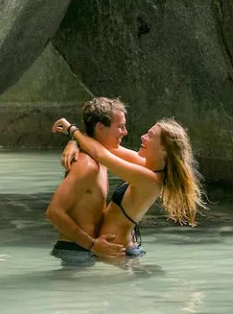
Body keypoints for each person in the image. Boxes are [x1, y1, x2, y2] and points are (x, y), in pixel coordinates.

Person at [52, 116, 205, 257]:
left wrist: (71, 129)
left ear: (163, 149)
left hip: (118, 253)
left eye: (150, 136)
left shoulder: (151, 180)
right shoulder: (147, 165)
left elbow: (101, 155)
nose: (142, 137)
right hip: (117, 251)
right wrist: (73, 142)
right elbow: (106, 147)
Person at [45, 97, 129, 267]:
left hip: (84, 251)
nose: (125, 132)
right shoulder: (87, 165)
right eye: (120, 127)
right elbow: (53, 212)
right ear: (100, 127)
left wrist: (74, 140)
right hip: (77, 252)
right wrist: (93, 245)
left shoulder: (100, 159)